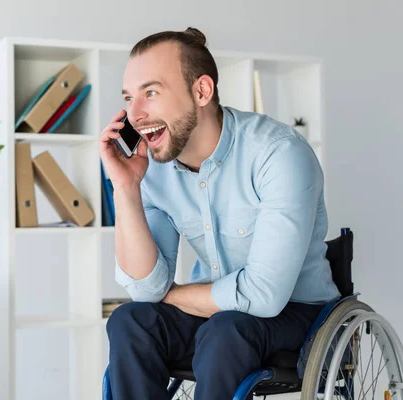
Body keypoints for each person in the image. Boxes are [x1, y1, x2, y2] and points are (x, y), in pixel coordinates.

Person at [99, 27, 341, 399]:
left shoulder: (278, 154)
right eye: (129, 98)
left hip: (296, 314)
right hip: (214, 317)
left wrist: (171, 292)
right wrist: (126, 188)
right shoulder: (153, 170)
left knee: (226, 329)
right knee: (129, 321)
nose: (135, 114)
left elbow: (263, 296)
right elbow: (146, 290)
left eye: (151, 93)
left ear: (201, 91)